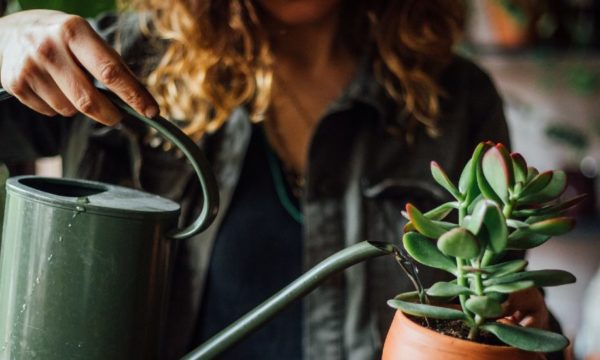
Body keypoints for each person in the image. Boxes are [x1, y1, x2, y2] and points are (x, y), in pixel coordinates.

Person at [0, 1, 557, 359]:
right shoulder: (118, 62)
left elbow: (506, 299)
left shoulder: (456, 99)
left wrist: (511, 316)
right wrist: (6, 36)